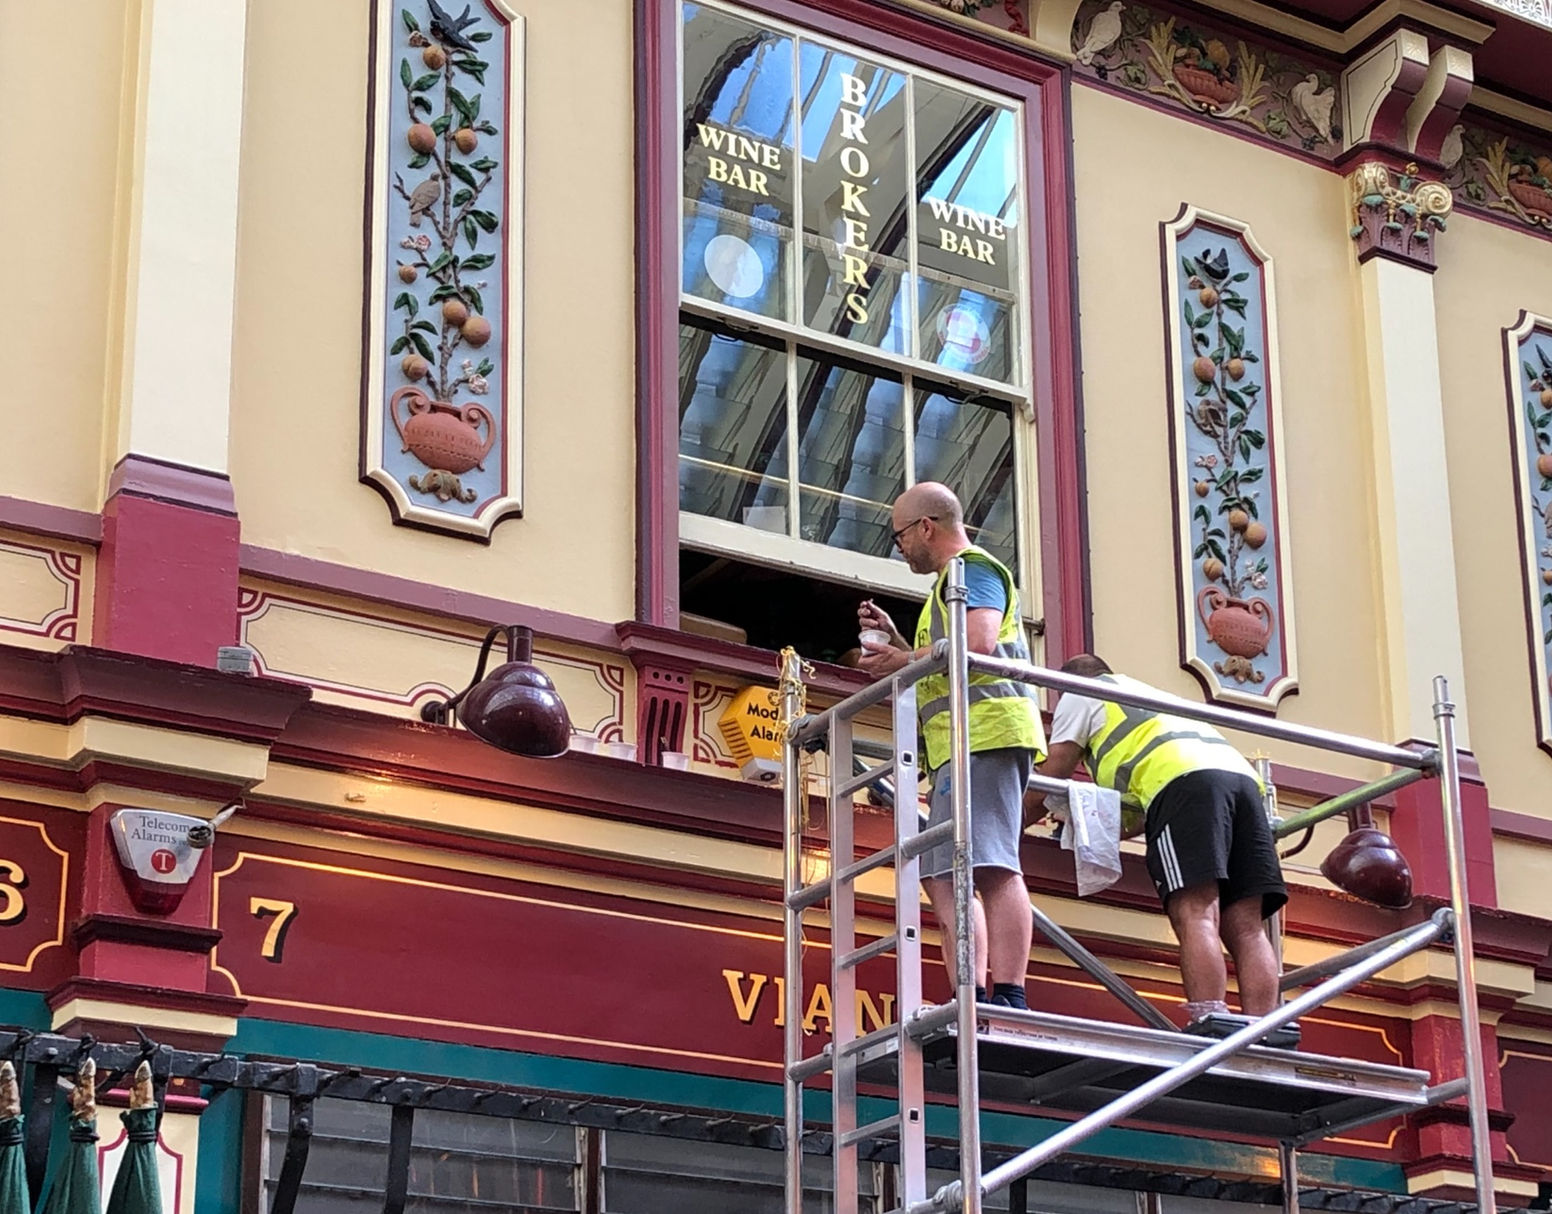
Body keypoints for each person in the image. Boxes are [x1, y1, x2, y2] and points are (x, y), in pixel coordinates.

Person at [1025, 654, 1289, 1037]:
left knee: (1196, 910)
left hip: (1183, 783)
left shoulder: (1080, 692)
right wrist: (1088, 824)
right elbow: (1143, 814)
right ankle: (1265, 1028)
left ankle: (1211, 1019)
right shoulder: (1150, 698)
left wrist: (1009, 823)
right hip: (1243, 785)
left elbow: (1056, 769)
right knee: (1247, 926)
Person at [856, 483, 1046, 1009]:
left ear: (925, 527)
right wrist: (900, 644)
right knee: (943, 874)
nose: (899, 548)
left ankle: (1006, 994)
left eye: (899, 536)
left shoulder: (972, 569)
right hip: (962, 745)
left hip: (987, 734)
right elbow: (945, 656)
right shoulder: (950, 585)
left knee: (990, 864)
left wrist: (900, 660)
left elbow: (977, 642)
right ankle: (974, 993)